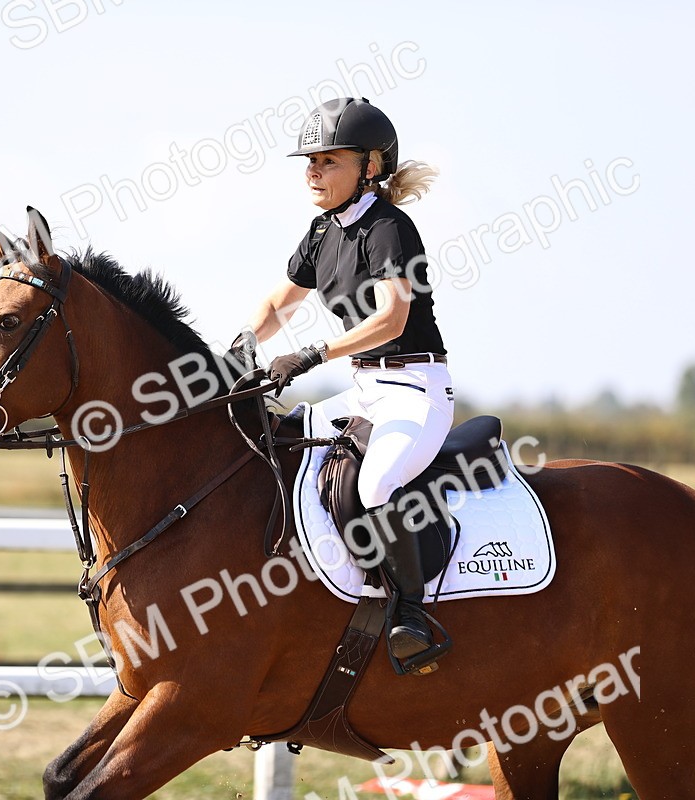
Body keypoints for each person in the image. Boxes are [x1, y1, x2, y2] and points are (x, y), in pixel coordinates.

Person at [234, 97, 454, 672]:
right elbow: (279, 303)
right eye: (310, 160)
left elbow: (391, 320)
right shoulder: (322, 230)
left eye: (328, 160)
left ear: (371, 167)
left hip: (415, 389)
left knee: (378, 484)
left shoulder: (389, 228)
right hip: (364, 389)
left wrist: (312, 354)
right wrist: (240, 348)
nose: (313, 170)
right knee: (273, 444)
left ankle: (411, 616)